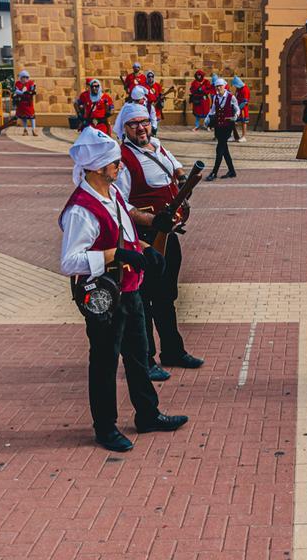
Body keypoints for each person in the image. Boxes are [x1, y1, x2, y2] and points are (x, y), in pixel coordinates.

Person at [60, 127, 189, 452]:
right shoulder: (81, 209)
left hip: (129, 289)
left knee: (137, 356)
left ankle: (148, 414)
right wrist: (116, 255)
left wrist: (149, 234)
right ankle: (105, 427)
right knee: (104, 362)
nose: (120, 166)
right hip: (103, 296)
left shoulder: (112, 192)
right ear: (98, 167)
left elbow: (126, 223)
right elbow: (70, 261)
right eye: (115, 163)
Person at [113, 104, 203, 381]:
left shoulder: (157, 148)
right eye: (134, 124)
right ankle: (146, 358)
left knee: (166, 296)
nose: (141, 128)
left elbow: (177, 170)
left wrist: (182, 185)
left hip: (169, 234)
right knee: (143, 299)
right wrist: (153, 222)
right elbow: (121, 205)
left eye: (144, 122)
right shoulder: (124, 159)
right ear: (124, 129)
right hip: (144, 240)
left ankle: (173, 351)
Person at [207, 77, 239, 180]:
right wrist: (207, 119)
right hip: (218, 127)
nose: (218, 88)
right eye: (217, 86)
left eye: (220, 86)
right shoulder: (216, 97)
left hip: (227, 126)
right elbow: (212, 110)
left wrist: (235, 117)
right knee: (224, 149)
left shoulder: (230, 97)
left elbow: (237, 108)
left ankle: (214, 172)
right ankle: (232, 171)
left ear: (224, 86)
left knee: (219, 149)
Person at [13, 70, 37, 135]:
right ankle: (25, 130)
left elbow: (33, 89)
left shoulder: (30, 82)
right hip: (21, 103)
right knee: (24, 117)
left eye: (26, 77)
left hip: (29, 102)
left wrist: (32, 90)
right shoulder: (17, 83)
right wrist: (22, 92)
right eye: (23, 77)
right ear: (21, 77)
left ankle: (34, 130)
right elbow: (15, 90)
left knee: (32, 116)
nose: (25, 79)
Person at [232, 75, 250, 141]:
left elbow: (245, 102)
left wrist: (238, 108)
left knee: (243, 122)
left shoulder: (245, 89)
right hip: (237, 107)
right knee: (233, 121)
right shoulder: (238, 88)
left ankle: (243, 136)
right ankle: (235, 136)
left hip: (243, 109)